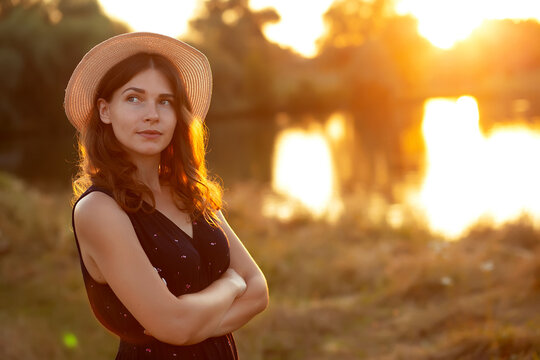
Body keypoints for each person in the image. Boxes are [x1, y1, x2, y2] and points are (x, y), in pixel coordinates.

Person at [64, 32, 269, 359]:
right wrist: (231, 285)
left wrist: (190, 324)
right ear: (105, 110)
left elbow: (258, 290)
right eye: (134, 99)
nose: (152, 115)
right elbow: (175, 327)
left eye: (165, 101)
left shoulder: (189, 192)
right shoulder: (98, 209)